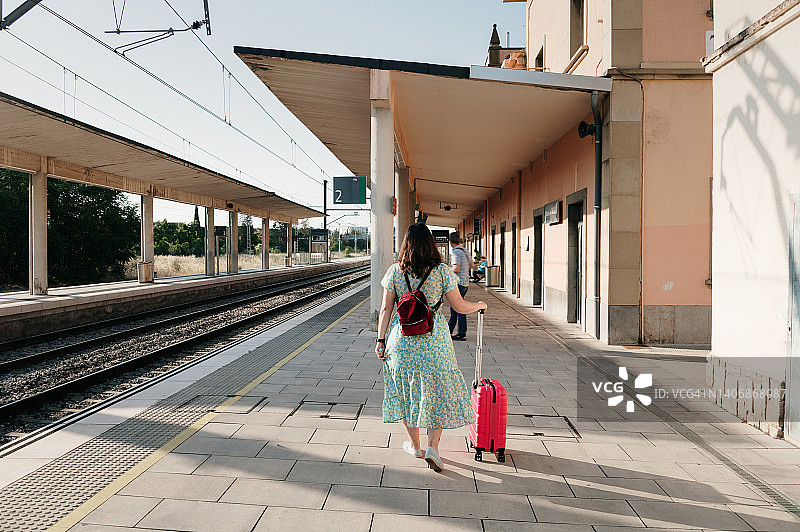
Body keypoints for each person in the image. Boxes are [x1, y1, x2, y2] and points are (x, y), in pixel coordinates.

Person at [376, 223, 487, 472]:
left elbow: (385, 309)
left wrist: (380, 340)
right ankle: (433, 448)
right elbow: (459, 307)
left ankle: (415, 446)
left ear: (406, 244)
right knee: (435, 393)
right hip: (434, 342)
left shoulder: (395, 271)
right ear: (431, 244)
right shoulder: (443, 272)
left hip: (401, 341)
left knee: (405, 392)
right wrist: (479, 305)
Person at [448, 232, 473, 341]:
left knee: (457, 308)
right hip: (465, 283)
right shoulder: (465, 250)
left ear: (450, 242)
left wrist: (447, 271)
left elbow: (456, 269)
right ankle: (451, 331)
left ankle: (459, 333)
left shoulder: (455, 252)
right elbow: (472, 265)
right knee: (456, 307)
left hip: (458, 283)